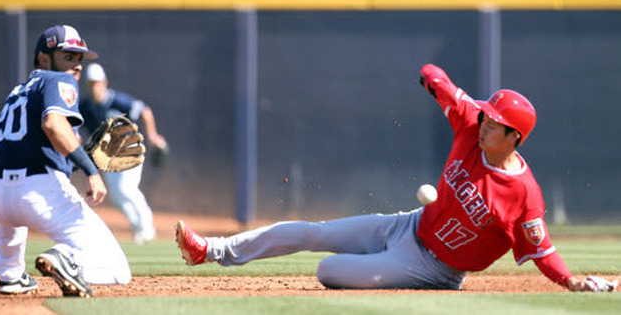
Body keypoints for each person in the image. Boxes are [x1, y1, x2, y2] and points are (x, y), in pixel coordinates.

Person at [175, 63, 617, 292]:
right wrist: (436, 81)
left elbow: (543, 251)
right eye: (485, 116)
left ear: (514, 137)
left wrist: (571, 281)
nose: (484, 124)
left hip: (433, 268)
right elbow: (437, 77)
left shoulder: (524, 195)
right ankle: (211, 251)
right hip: (407, 224)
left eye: (494, 123)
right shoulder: (470, 127)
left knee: (328, 270)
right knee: (315, 233)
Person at [0, 25, 131, 297]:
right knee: (118, 269)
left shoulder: (18, 92)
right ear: (43, 58)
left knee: (12, 220)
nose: (76, 66)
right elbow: (53, 125)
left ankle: (11, 276)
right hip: (39, 193)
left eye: (79, 59)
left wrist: (80, 156)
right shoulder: (58, 80)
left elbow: (27, 146)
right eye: (68, 56)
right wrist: (90, 169)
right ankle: (68, 260)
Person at [80, 63, 168, 244]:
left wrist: (152, 136)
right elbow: (73, 125)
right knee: (117, 196)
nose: (94, 87)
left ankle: (148, 228)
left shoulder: (117, 100)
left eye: (97, 82)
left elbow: (145, 111)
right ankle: (139, 230)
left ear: (104, 82)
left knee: (126, 189)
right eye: (91, 83)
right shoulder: (85, 106)